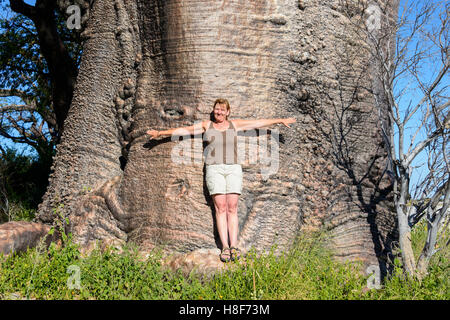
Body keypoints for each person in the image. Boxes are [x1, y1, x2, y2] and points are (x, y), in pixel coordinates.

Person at [146, 98, 296, 262]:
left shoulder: (234, 124)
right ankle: (225, 247)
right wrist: (160, 133)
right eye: (217, 109)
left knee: (232, 208)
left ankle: (235, 246)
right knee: (220, 208)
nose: (219, 112)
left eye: (222, 110)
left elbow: (257, 123)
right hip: (214, 169)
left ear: (227, 112)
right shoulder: (206, 125)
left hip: (233, 169)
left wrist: (279, 120)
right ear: (214, 110)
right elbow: (184, 130)